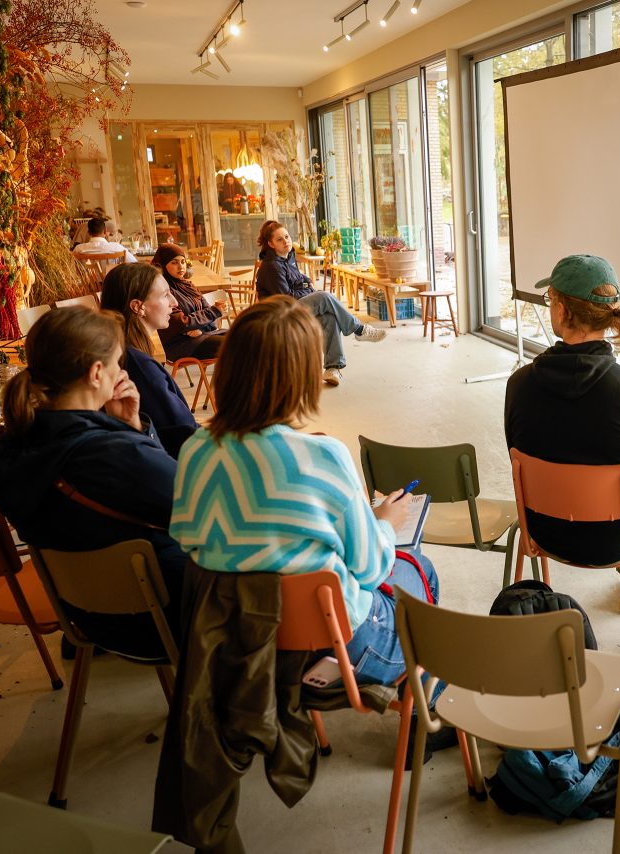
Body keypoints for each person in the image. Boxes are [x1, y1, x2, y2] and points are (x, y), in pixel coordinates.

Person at [170, 296, 438, 690]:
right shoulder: (322, 456)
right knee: (418, 567)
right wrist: (383, 523)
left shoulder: (195, 450)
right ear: (301, 375)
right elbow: (370, 568)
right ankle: (426, 715)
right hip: (329, 643)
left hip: (236, 644)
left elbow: (187, 540)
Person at [0, 306, 186, 657]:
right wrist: (132, 437)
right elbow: (197, 509)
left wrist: (130, 426)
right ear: (96, 374)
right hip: (163, 617)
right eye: (117, 363)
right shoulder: (111, 453)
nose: (121, 372)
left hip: (85, 618)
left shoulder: (9, 449)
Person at [504, 254, 620, 614]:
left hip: (544, 533)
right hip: (617, 543)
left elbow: (517, 462)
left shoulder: (519, 386)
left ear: (562, 312)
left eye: (550, 300)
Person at [255, 219, 385, 387]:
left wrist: (305, 283)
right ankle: (359, 329)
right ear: (270, 244)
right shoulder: (272, 266)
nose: (286, 241)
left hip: (293, 308)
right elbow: (287, 297)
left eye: (286, 236)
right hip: (280, 315)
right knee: (324, 296)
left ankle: (332, 368)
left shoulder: (288, 257)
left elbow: (302, 280)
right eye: (279, 239)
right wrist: (306, 288)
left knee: (330, 317)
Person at [100, 262, 199, 458]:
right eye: (165, 295)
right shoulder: (140, 366)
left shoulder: (117, 351)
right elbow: (186, 435)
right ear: (138, 307)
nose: (174, 302)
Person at [151, 243, 227, 362]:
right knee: (235, 344)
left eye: (183, 262)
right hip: (179, 344)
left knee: (244, 335)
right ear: (161, 265)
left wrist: (201, 329)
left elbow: (211, 319)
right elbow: (181, 323)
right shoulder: (161, 289)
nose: (181, 267)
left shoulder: (188, 285)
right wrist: (214, 311)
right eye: (174, 262)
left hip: (202, 335)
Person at [73, 216, 138, 262]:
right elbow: (134, 262)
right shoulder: (117, 248)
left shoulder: (78, 249)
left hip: (88, 281)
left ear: (89, 233)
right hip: (112, 281)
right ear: (105, 231)